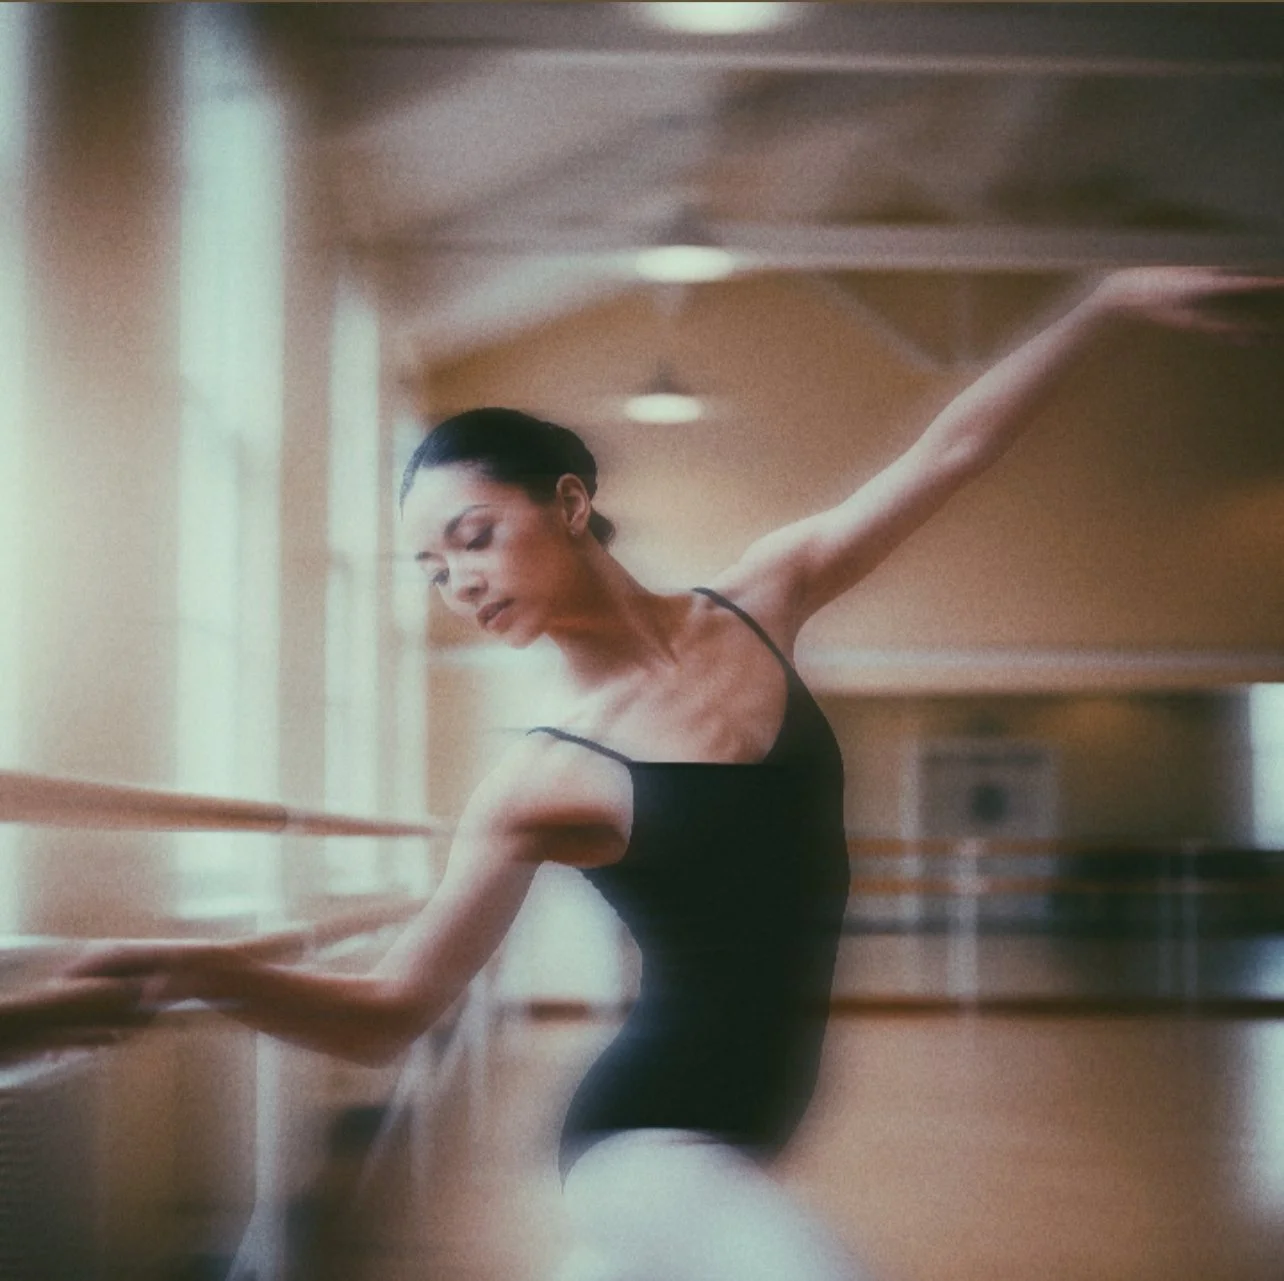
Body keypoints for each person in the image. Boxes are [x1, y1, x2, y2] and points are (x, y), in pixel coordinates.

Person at [65, 266, 1278, 1280]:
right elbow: (392, 1012)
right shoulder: (537, 785)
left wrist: (1103, 305)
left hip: (752, 1131)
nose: (458, 582)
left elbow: (953, 448)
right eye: (430, 570)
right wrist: (197, 972)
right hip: (644, 1140)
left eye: (474, 538)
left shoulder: (764, 599)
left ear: (573, 503)